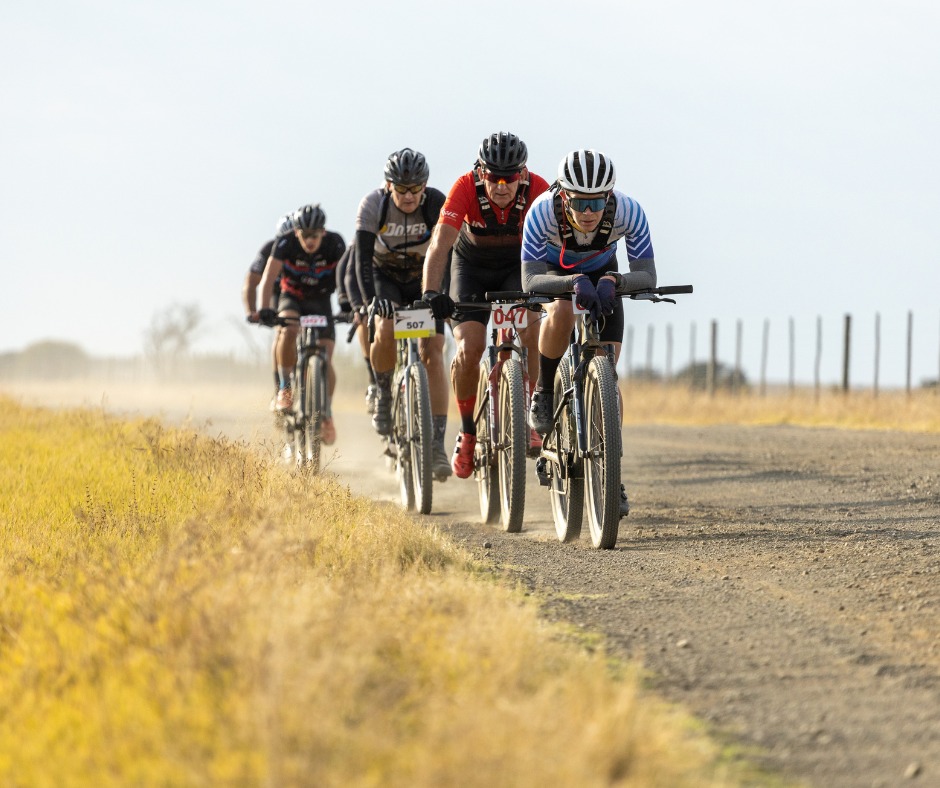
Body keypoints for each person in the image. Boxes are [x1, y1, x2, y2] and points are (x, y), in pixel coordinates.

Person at [520, 149, 657, 517]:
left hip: (604, 275)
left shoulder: (629, 211)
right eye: (579, 201)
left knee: (608, 374)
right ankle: (545, 391)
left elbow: (648, 275)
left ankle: (612, 470)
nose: (587, 211)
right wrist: (573, 280)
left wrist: (617, 280)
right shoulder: (542, 213)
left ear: (609, 196)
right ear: (563, 195)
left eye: (596, 201)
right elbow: (531, 279)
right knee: (562, 310)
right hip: (555, 274)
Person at [420, 131, 550, 479]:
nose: (502, 186)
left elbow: (558, 242)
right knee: (470, 347)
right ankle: (467, 430)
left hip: (517, 268)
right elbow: (439, 246)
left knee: (533, 332)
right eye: (494, 177)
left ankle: (535, 412)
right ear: (481, 172)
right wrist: (433, 292)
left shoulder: (539, 188)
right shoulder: (464, 187)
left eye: (510, 178)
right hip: (470, 269)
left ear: (523, 174)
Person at [354, 147, 452, 479]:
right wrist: (371, 301)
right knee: (384, 327)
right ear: (388, 186)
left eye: (415, 188)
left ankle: (436, 444)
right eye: (401, 189)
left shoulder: (437, 202)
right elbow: (362, 262)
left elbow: (449, 253)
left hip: (424, 278)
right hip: (387, 278)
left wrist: (438, 294)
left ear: (425, 186)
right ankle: (383, 390)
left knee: (433, 351)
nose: (409, 196)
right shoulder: (373, 206)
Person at [257, 204, 346, 444]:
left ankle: (325, 412)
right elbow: (267, 279)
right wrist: (265, 309)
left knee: (326, 357)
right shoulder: (285, 243)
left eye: (314, 235)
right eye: (305, 235)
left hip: (320, 300)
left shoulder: (335, 244)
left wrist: (348, 304)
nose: (310, 241)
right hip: (292, 297)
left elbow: (347, 276)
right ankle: (285, 388)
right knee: (288, 330)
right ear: (296, 233)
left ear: (323, 232)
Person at [244, 213, 293, 409]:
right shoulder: (268, 250)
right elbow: (251, 283)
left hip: (301, 294)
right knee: (281, 331)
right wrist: (252, 311)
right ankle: (281, 386)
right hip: (276, 294)